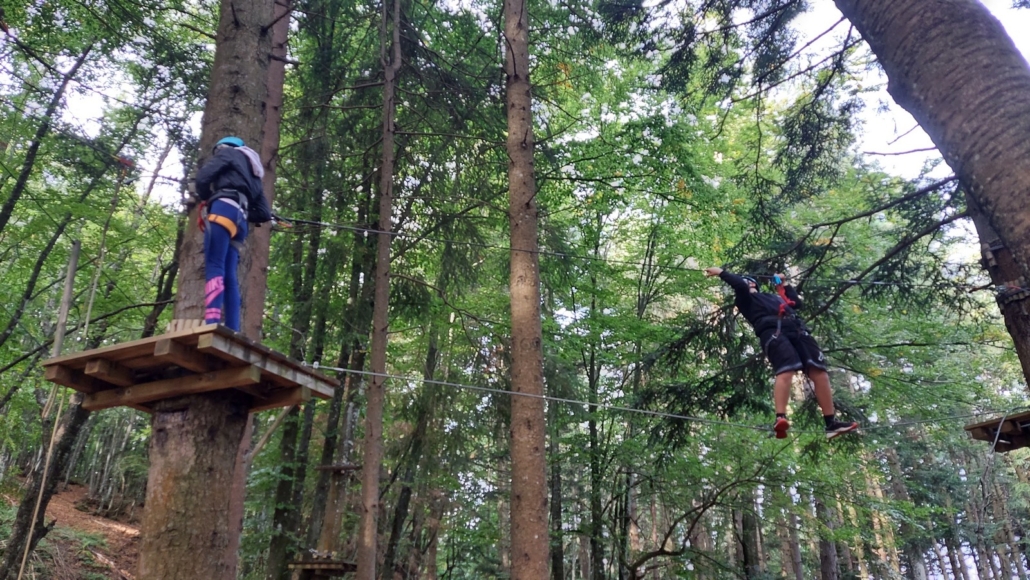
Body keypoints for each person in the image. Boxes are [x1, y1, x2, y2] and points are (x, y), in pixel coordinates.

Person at [704, 267, 859, 439]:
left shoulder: (775, 297)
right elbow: (739, 285)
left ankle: (831, 423)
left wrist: (784, 285)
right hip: (773, 331)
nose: (747, 283)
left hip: (797, 330)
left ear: (755, 284)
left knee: (819, 372)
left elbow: (796, 303)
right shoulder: (745, 300)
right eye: (745, 281)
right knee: (786, 369)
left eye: (749, 281)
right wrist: (721, 272)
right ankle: (780, 418)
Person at [194, 136, 271, 331]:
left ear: (224, 147)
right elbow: (264, 213)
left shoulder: (228, 153)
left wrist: (208, 197)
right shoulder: (255, 175)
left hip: (222, 211)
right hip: (240, 222)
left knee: (215, 265)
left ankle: (211, 324)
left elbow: (203, 178)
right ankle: (233, 329)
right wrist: (241, 210)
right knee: (230, 275)